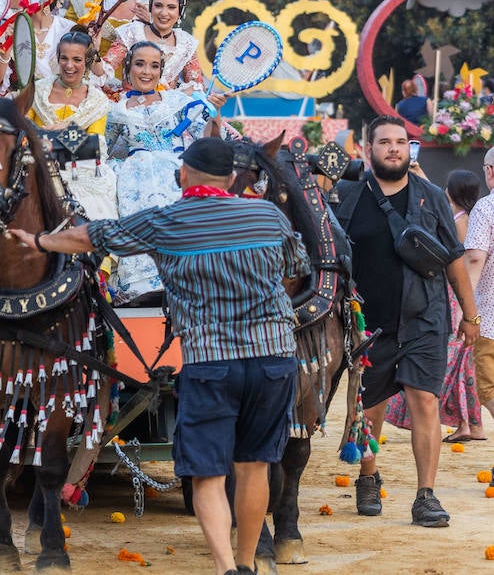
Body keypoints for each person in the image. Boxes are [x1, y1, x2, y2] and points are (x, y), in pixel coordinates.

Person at [25, 137, 306, 575]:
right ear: (231, 179)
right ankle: (249, 564)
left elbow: (91, 237)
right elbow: (296, 266)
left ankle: (225, 567)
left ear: (182, 175)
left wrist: (39, 241)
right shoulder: (267, 214)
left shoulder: (165, 221)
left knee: (208, 474)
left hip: (211, 361)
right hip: (274, 358)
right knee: (255, 466)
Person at [333, 115, 478, 527]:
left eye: (401, 142)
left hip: (426, 318)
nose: (394, 148)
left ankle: (425, 495)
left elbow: (454, 258)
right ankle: (367, 475)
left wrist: (471, 315)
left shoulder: (431, 196)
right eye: (385, 142)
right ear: (368, 148)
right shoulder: (348, 195)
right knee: (370, 407)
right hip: (368, 322)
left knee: (424, 402)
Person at [104, 42, 224, 303]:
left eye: (154, 66)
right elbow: (104, 150)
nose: (147, 71)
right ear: (128, 68)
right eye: (140, 64)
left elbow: (209, 142)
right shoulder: (116, 112)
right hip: (134, 189)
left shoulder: (180, 102)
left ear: (161, 71)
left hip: (176, 180)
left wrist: (216, 115)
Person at [386, 169, 486, 441]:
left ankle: (468, 424)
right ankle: (469, 424)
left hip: (457, 297)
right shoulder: (463, 216)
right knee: (459, 365)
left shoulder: (461, 222)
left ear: (452, 192)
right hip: (458, 296)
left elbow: (457, 256)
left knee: (455, 363)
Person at [30, 29, 118, 221]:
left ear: (86, 61)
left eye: (77, 60)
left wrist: (64, 133)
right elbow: (23, 130)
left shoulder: (97, 101)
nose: (69, 65)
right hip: (35, 164)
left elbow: (97, 147)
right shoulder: (37, 90)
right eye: (64, 58)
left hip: (79, 169)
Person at [98, 0, 205, 97]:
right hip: (129, 107)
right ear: (150, 7)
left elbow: (196, 87)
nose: (164, 13)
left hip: (167, 111)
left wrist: (172, 99)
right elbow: (103, 71)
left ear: (180, 12)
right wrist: (93, 48)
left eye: (171, 7)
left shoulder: (186, 43)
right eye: (158, 6)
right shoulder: (132, 32)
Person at [465, 150, 494, 426]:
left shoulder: (486, 208)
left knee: (488, 389)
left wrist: (465, 309)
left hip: (488, 317)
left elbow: (474, 257)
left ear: (490, 171)